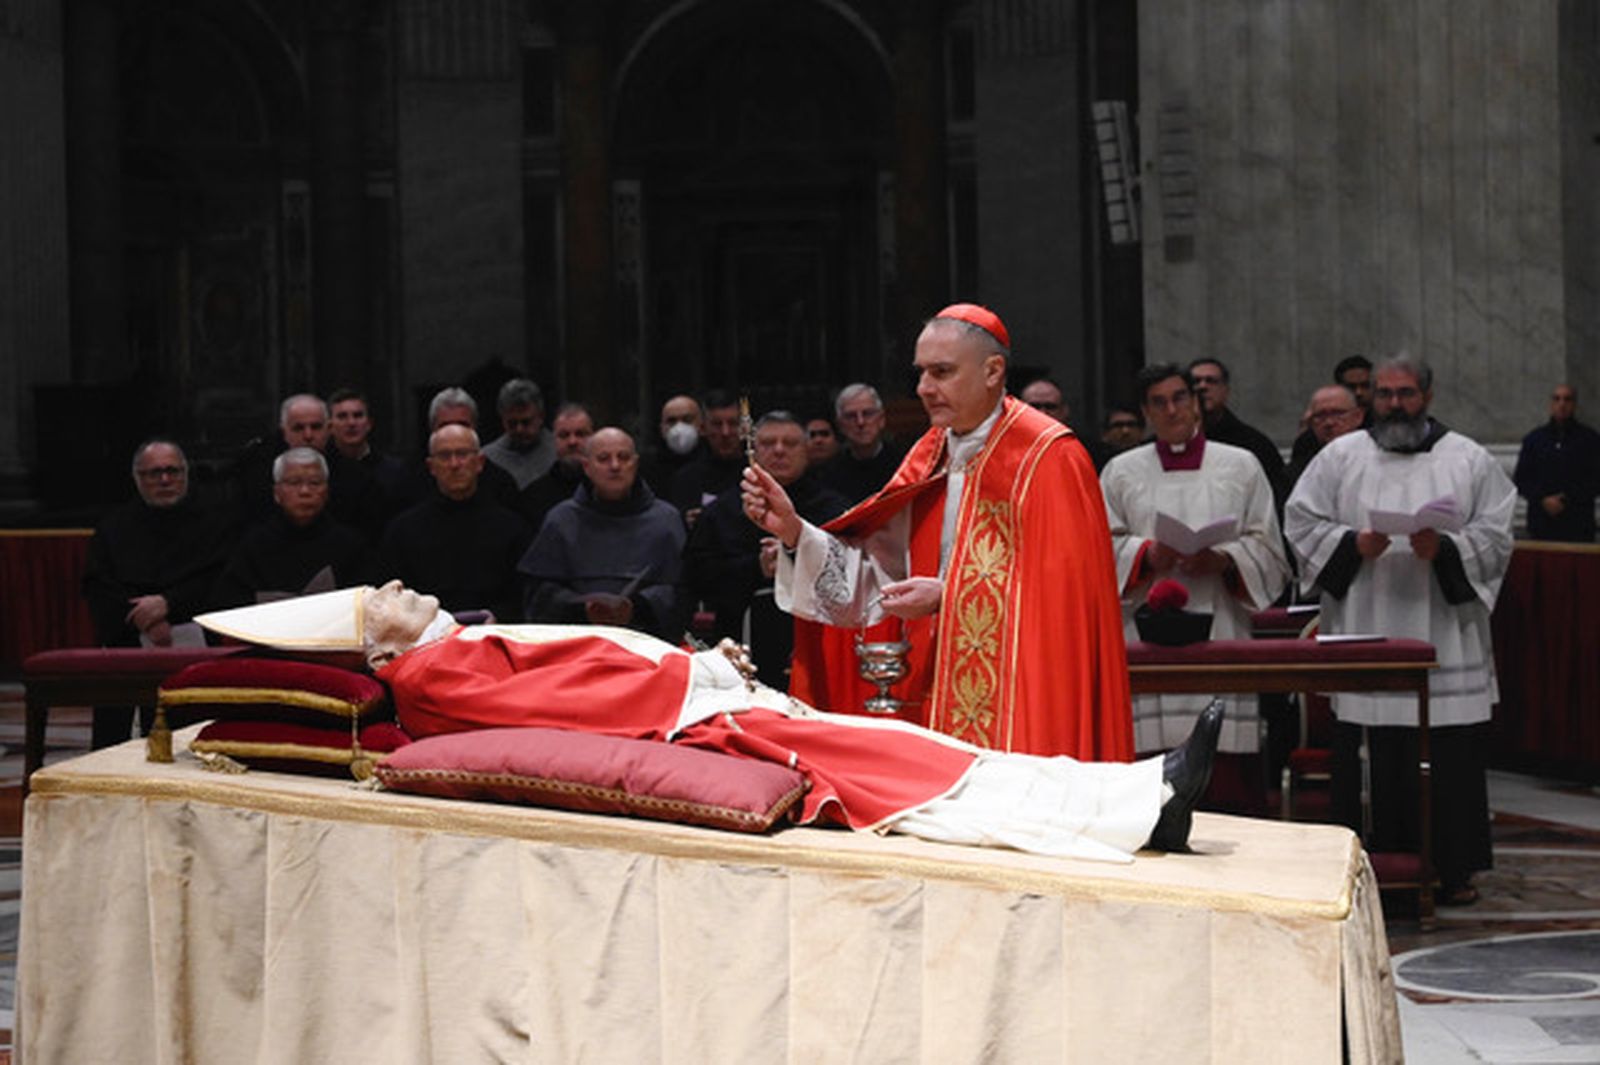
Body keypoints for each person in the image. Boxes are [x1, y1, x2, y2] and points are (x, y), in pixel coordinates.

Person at [194, 583, 1226, 861]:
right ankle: (1134, 808)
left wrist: (692, 666)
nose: (404, 588)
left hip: (698, 702)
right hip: (697, 729)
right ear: (372, 651)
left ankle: (1133, 795)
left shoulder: (445, 646)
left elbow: (588, 665)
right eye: (384, 598)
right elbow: (566, 705)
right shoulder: (434, 674)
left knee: (917, 751)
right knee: (906, 770)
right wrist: (696, 686)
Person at [743, 303, 1132, 761]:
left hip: (1023, 707)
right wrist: (793, 532)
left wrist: (949, 596)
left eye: (942, 372)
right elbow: (876, 577)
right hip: (930, 696)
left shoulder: (1048, 456)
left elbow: (1065, 604)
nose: (924, 389)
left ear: (992, 371)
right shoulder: (931, 453)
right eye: (922, 372)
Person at [1285, 353, 1515, 904]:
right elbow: (1300, 520)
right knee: (1372, 752)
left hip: (1443, 634)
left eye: (1405, 394)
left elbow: (1498, 533)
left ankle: (1451, 869)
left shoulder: (1469, 459)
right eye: (1384, 394)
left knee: (1449, 756)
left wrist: (1447, 549)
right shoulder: (1341, 456)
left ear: (1427, 397)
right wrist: (1352, 544)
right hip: (1366, 622)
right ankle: (1360, 870)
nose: (1393, 404)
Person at [1100, 364, 1289, 808]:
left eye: (1180, 398)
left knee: (1225, 778)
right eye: (1159, 402)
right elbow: (1095, 548)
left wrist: (1223, 558)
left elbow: (1269, 547)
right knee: (1152, 777)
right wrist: (1145, 555)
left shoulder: (1240, 465)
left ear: (1196, 402)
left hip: (1220, 621)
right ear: (1146, 412)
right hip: (1145, 629)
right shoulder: (1120, 471)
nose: (1172, 410)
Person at [82, 440, 232, 746]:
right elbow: (98, 585)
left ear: (186, 474)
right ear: (137, 478)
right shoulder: (114, 527)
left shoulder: (215, 524)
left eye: (172, 471)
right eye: (153, 473)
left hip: (194, 641)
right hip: (126, 642)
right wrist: (145, 621)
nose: (164, 480)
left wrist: (169, 605)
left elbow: (221, 582)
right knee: (114, 739)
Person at [686, 412, 848, 687]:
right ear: (753, 450)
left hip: (818, 642)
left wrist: (801, 554)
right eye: (769, 443)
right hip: (740, 646)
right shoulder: (720, 513)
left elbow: (853, 573)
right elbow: (696, 578)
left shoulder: (836, 509)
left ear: (807, 450)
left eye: (790, 443)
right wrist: (756, 567)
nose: (779, 450)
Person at [517, 427, 687, 640]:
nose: (615, 466)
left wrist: (638, 607)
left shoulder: (666, 519)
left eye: (623, 458)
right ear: (587, 467)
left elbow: (683, 593)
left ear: (635, 464)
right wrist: (582, 609)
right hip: (575, 644)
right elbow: (538, 596)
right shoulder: (561, 519)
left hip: (648, 645)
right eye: (604, 458)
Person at [378, 423, 533, 623]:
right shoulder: (402, 532)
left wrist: (500, 617)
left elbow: (526, 596)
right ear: (431, 467)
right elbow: (391, 600)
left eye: (462, 454)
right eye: (444, 456)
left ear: (480, 462)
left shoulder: (513, 529)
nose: (454, 464)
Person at [212, 447, 371, 608]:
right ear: (277, 493)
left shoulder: (350, 545)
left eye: (315, 483)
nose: (305, 491)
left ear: (327, 492)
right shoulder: (253, 547)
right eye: (294, 483)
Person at [1187, 358, 1287, 511]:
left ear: (1226, 391)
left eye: (1211, 381)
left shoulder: (1255, 445)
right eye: (1195, 381)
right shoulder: (1166, 443)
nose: (1202, 386)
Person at [324, 388, 414, 545]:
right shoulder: (321, 473)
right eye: (342, 416)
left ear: (369, 424)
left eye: (358, 416)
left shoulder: (395, 471)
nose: (351, 423)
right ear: (330, 426)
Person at [1513, 383, 1600, 542]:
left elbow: (1596, 479)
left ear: (1574, 404)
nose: (1562, 404)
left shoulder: (1590, 440)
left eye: (1567, 399)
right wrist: (1542, 499)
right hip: (1541, 523)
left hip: (1578, 524)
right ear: (1551, 404)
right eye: (1557, 399)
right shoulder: (1534, 440)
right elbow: (1521, 479)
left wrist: (1568, 499)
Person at [667, 390, 746, 526]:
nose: (725, 433)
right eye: (716, 424)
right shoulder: (686, 478)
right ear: (703, 428)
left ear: (744, 428)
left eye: (733, 423)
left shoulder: (757, 475)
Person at [1288, 355, 1375, 477]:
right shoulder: (1310, 439)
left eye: (1365, 386)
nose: (1358, 393)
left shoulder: (1381, 432)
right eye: (1351, 387)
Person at [516, 402, 596, 532]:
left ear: (594, 437)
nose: (572, 442)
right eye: (564, 435)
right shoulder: (532, 498)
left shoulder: (608, 490)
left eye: (580, 434)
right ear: (553, 440)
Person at [819, 383, 904, 505]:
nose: (860, 422)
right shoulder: (828, 474)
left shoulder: (903, 466)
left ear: (881, 420)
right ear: (840, 425)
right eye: (851, 416)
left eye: (868, 413)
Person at [482, 378, 556, 490]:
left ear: (541, 417)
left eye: (526, 422)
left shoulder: (559, 451)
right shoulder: (488, 459)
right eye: (512, 423)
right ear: (502, 420)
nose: (519, 429)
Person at [1285, 384, 1364, 490]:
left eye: (1338, 413)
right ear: (1311, 422)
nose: (1329, 422)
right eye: (1320, 415)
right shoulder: (1296, 475)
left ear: (1358, 417)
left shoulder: (1377, 462)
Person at [642, 394, 706, 497]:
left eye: (687, 420)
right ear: (662, 429)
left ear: (702, 426)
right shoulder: (646, 467)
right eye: (671, 421)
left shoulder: (715, 460)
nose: (679, 427)